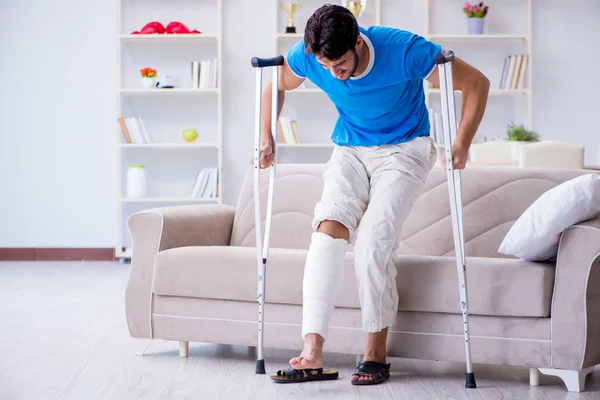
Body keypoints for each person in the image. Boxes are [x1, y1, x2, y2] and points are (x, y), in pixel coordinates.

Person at [257, 4, 490, 385]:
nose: (336, 74)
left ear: (359, 43)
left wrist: (462, 142)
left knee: (373, 243)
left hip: (404, 149)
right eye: (327, 67)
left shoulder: (405, 50)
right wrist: (266, 135)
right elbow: (274, 86)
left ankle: (375, 354)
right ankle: (312, 354)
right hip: (350, 149)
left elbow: (476, 83)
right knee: (325, 236)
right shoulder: (310, 55)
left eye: (342, 65)